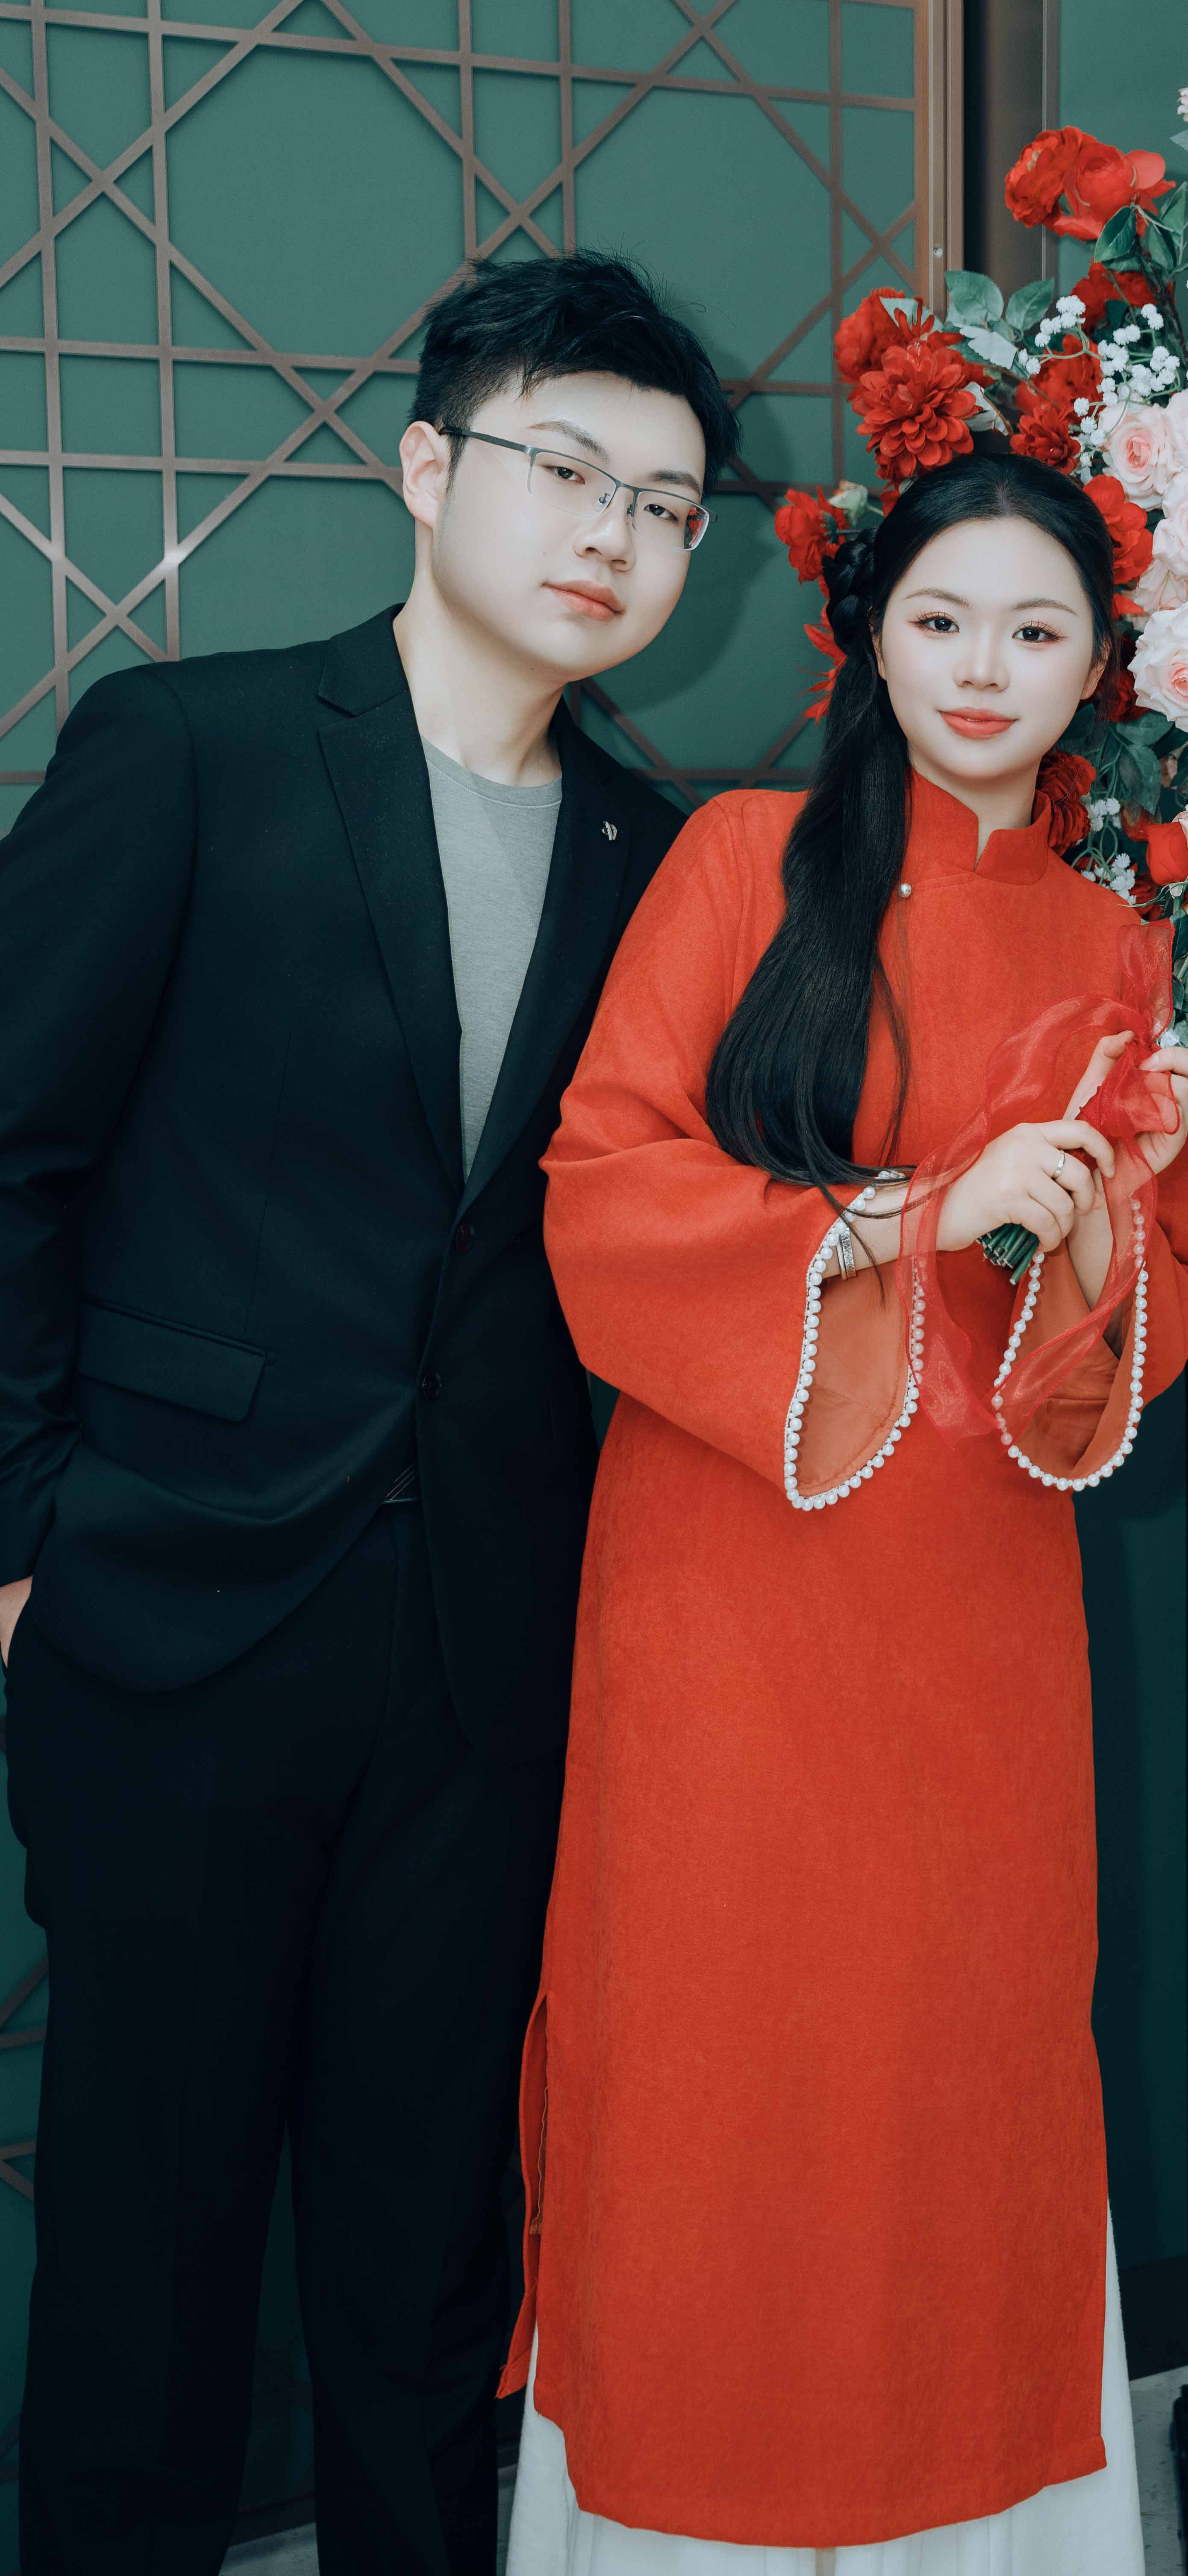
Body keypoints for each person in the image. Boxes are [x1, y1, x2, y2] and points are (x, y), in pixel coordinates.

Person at [0, 249, 738, 2574]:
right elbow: (10, 1154)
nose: (613, 533)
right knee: (148, 2257)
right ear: (428, 469)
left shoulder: (656, 859)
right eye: (566, 469)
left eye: (667, 505)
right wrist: (24, 1546)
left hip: (485, 1656)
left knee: (427, 2257)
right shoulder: (189, 749)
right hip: (173, 1615)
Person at [502, 448, 1188, 2573]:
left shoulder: (1123, 947)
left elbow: (1163, 1304)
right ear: (872, 638)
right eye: (941, 619)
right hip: (723, 1570)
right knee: (716, 2035)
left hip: (977, 1592)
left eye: (1036, 629)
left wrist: (1093, 1220)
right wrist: (914, 1210)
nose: (983, 668)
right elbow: (602, 1186)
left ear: (1099, 665)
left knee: (958, 2045)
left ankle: (962, 2496)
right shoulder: (741, 861)